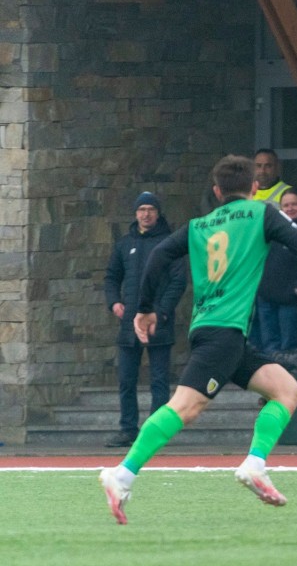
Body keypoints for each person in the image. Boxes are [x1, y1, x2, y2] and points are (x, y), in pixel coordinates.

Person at [98, 155, 297, 525]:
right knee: (185, 407)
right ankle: (122, 473)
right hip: (223, 333)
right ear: (254, 188)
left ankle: (254, 464)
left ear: (217, 191)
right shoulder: (261, 213)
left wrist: (145, 308)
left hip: (218, 330)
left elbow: (157, 256)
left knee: (287, 390)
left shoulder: (197, 225)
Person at [103, 192, 187, 448]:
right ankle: (127, 429)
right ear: (135, 213)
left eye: (151, 209)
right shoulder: (124, 243)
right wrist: (114, 302)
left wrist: (161, 312)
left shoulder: (169, 243)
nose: (146, 214)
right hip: (129, 323)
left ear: (158, 212)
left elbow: (178, 282)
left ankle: (156, 431)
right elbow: (111, 276)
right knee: (127, 379)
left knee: (159, 380)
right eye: (142, 209)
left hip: (158, 322)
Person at [254, 189, 297, 352]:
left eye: (295, 204)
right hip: (266, 296)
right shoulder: (272, 230)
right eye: (286, 205)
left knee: (290, 347)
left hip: (292, 299)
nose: (290, 208)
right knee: (269, 347)